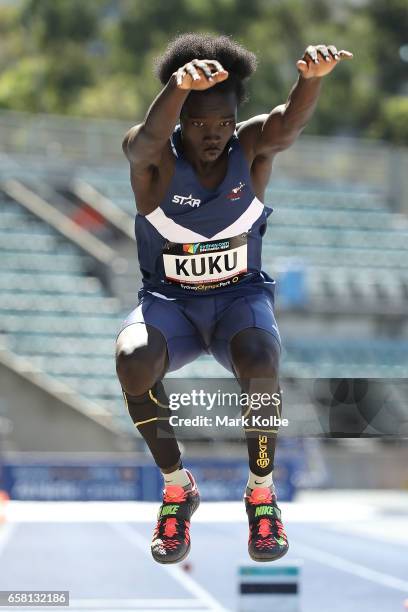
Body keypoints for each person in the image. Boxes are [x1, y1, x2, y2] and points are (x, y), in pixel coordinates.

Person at [115, 33, 353, 564]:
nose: (214, 135)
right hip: (169, 303)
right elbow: (140, 143)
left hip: (238, 302)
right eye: (199, 124)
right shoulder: (154, 157)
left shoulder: (249, 147)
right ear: (179, 119)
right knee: (133, 359)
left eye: (223, 122)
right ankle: (178, 489)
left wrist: (309, 82)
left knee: (262, 359)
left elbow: (286, 124)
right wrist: (178, 87)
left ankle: (261, 495)